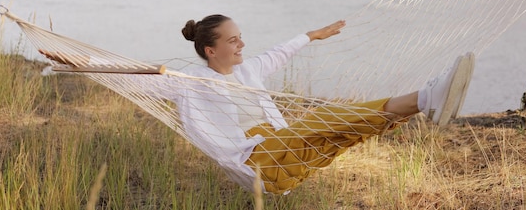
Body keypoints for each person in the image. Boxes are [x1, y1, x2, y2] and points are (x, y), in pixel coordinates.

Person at [180, 14, 473, 194]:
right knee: (321, 120)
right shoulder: (191, 80)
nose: (242, 44)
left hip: (288, 156)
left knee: (342, 133)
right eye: (233, 41)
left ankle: (425, 101)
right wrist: (132, 71)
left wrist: (312, 35)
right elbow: (145, 82)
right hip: (257, 164)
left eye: (240, 37)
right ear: (211, 50)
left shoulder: (249, 70)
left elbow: (279, 52)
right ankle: (426, 96)